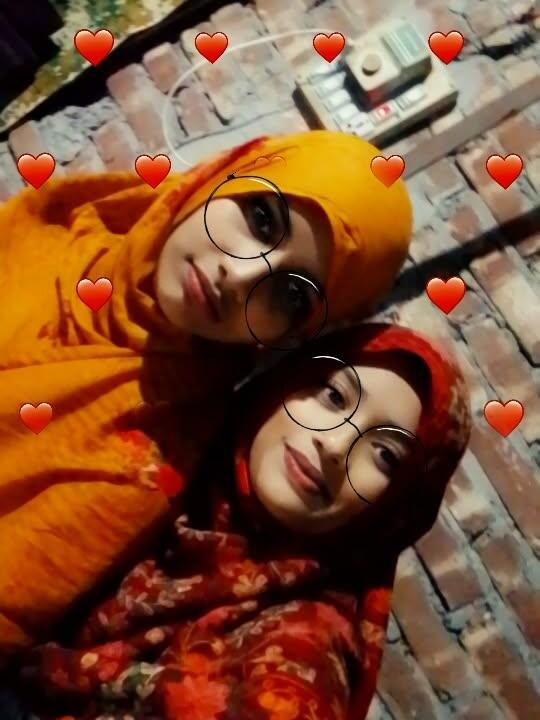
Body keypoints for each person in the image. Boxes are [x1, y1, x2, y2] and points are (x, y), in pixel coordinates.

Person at [0, 131, 413, 657]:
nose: (239, 276)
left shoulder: (143, 461)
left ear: (292, 334)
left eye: (290, 295)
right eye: (262, 219)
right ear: (224, 175)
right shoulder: (70, 221)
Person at [17, 323, 471, 720]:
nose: (335, 447)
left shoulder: (302, 652)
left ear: (394, 511)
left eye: (385, 454)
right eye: (334, 397)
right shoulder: (160, 455)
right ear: (285, 382)